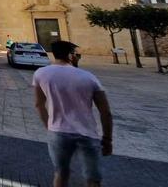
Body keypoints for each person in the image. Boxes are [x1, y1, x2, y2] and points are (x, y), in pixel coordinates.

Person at [33, 41, 113, 187]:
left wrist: (50, 127)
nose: (78, 58)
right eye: (77, 55)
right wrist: (107, 139)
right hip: (87, 134)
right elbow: (105, 112)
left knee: (61, 173)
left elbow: (39, 104)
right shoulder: (89, 77)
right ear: (70, 56)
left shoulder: (41, 74)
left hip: (58, 132)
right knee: (93, 179)